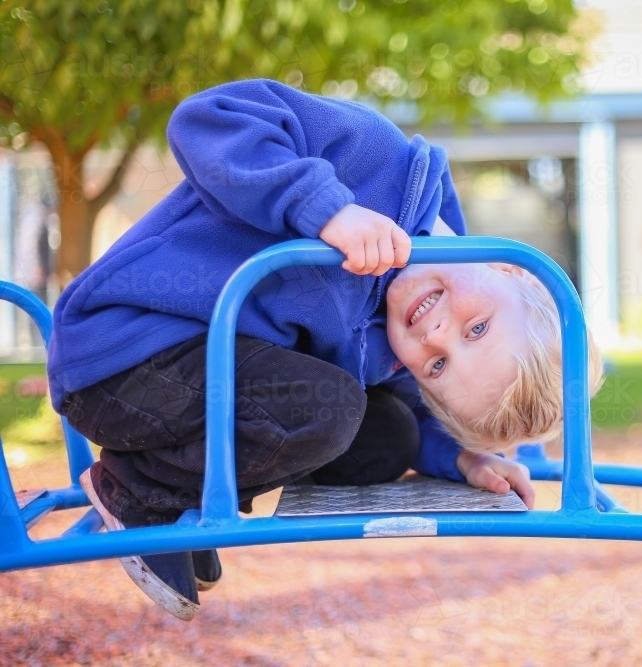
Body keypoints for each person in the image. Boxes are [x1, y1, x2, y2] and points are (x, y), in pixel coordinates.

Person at [46, 79, 603, 621]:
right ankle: (141, 490)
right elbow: (208, 118)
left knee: (389, 431)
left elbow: (409, 406)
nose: (437, 337)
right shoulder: (380, 165)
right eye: (477, 329)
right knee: (328, 407)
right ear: (510, 269)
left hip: (198, 379)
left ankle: (186, 482)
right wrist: (326, 209)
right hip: (124, 353)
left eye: (438, 367)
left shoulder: (396, 332)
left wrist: (459, 457)